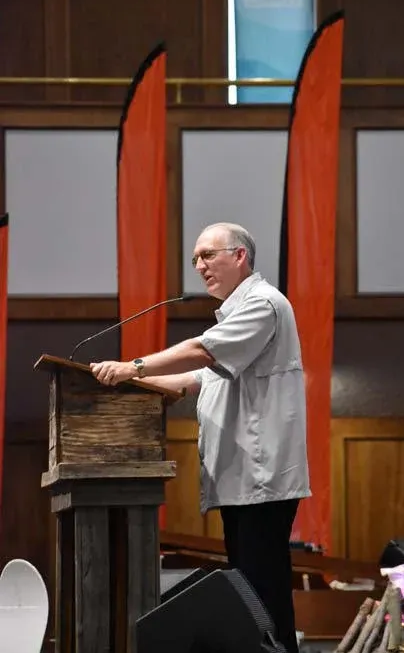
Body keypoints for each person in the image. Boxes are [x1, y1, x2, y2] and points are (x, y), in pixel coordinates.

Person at [91, 222, 310, 653]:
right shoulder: (237, 315)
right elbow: (191, 380)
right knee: (250, 597)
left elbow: (201, 351)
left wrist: (132, 366)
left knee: (262, 596)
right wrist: (132, 382)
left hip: (261, 479)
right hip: (243, 481)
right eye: (195, 259)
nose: (199, 266)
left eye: (208, 255)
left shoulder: (262, 304)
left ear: (240, 256)